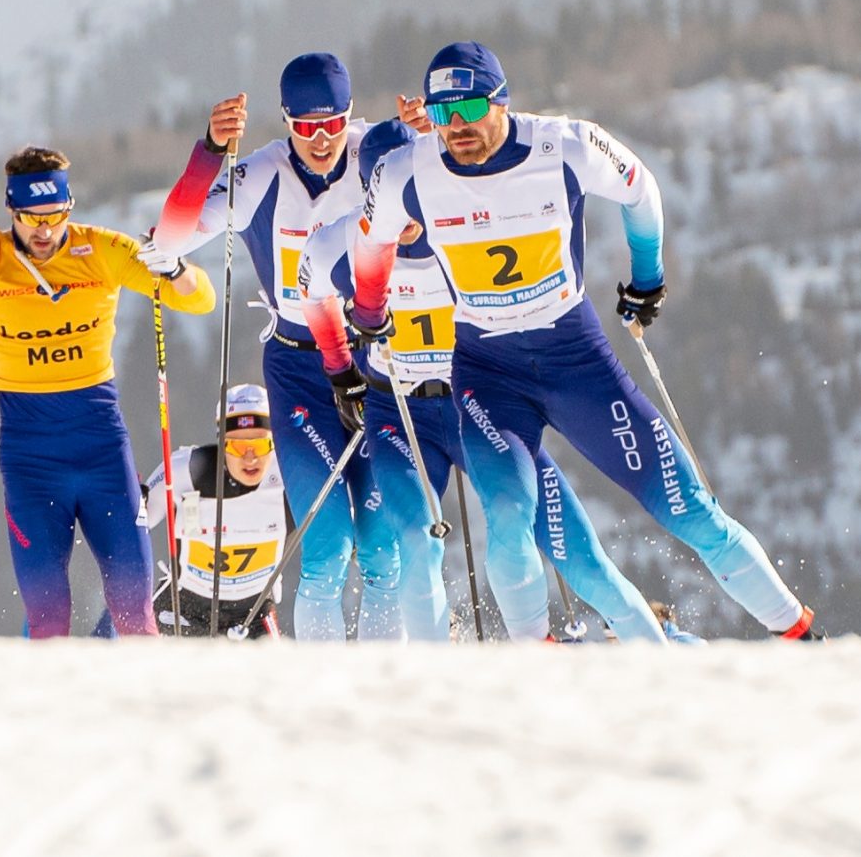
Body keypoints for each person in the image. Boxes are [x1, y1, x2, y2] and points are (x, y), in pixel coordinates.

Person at [338, 42, 822, 642]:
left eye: (467, 108)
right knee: (510, 518)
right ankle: (538, 659)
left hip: (576, 362)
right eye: (440, 114)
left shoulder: (564, 145)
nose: (455, 127)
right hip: (487, 373)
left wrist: (648, 278)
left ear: (501, 100)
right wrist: (368, 309)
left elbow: (641, 190)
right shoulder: (407, 175)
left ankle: (802, 639)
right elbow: (371, 246)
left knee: (690, 512)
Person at [300, 119, 668, 643]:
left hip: (480, 407)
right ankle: (437, 679)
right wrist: (340, 371)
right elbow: (312, 292)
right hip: (400, 418)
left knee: (579, 556)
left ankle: (663, 659)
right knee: (418, 540)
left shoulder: (470, 227)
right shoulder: (340, 247)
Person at [0, 145, 215, 638]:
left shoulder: (102, 251)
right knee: (49, 619)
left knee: (134, 614)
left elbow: (200, 301)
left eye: (54, 216)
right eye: (31, 218)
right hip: (31, 463)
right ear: (11, 212)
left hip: (102, 454)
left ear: (68, 208)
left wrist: (177, 269)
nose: (43, 230)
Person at [145, 53, 404, 641]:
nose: (321, 139)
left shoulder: (377, 156)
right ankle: (317, 692)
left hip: (370, 363)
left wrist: (417, 141)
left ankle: (389, 688)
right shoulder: (260, 173)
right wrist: (210, 149)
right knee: (327, 546)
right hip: (299, 369)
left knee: (384, 549)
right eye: (306, 126)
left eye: (334, 124)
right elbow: (170, 236)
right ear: (286, 120)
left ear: (349, 117)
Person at [139, 382, 290, 637]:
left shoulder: (290, 476)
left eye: (261, 445)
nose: (250, 457)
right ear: (221, 442)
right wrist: (133, 498)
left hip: (253, 614)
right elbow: (136, 521)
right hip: (183, 608)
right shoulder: (187, 469)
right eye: (237, 446)